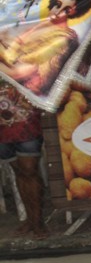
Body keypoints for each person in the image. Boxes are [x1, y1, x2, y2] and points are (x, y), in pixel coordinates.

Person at [0, 0, 91, 97]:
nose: (57, 13)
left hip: (23, 90)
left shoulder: (63, 38)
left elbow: (18, 72)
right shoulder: (43, 24)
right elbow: (13, 50)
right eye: (58, 5)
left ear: (74, 12)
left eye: (66, 10)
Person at [0, 81, 48, 238]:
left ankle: (38, 221)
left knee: (29, 170)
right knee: (18, 171)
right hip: (2, 125)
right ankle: (31, 219)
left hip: (25, 117)